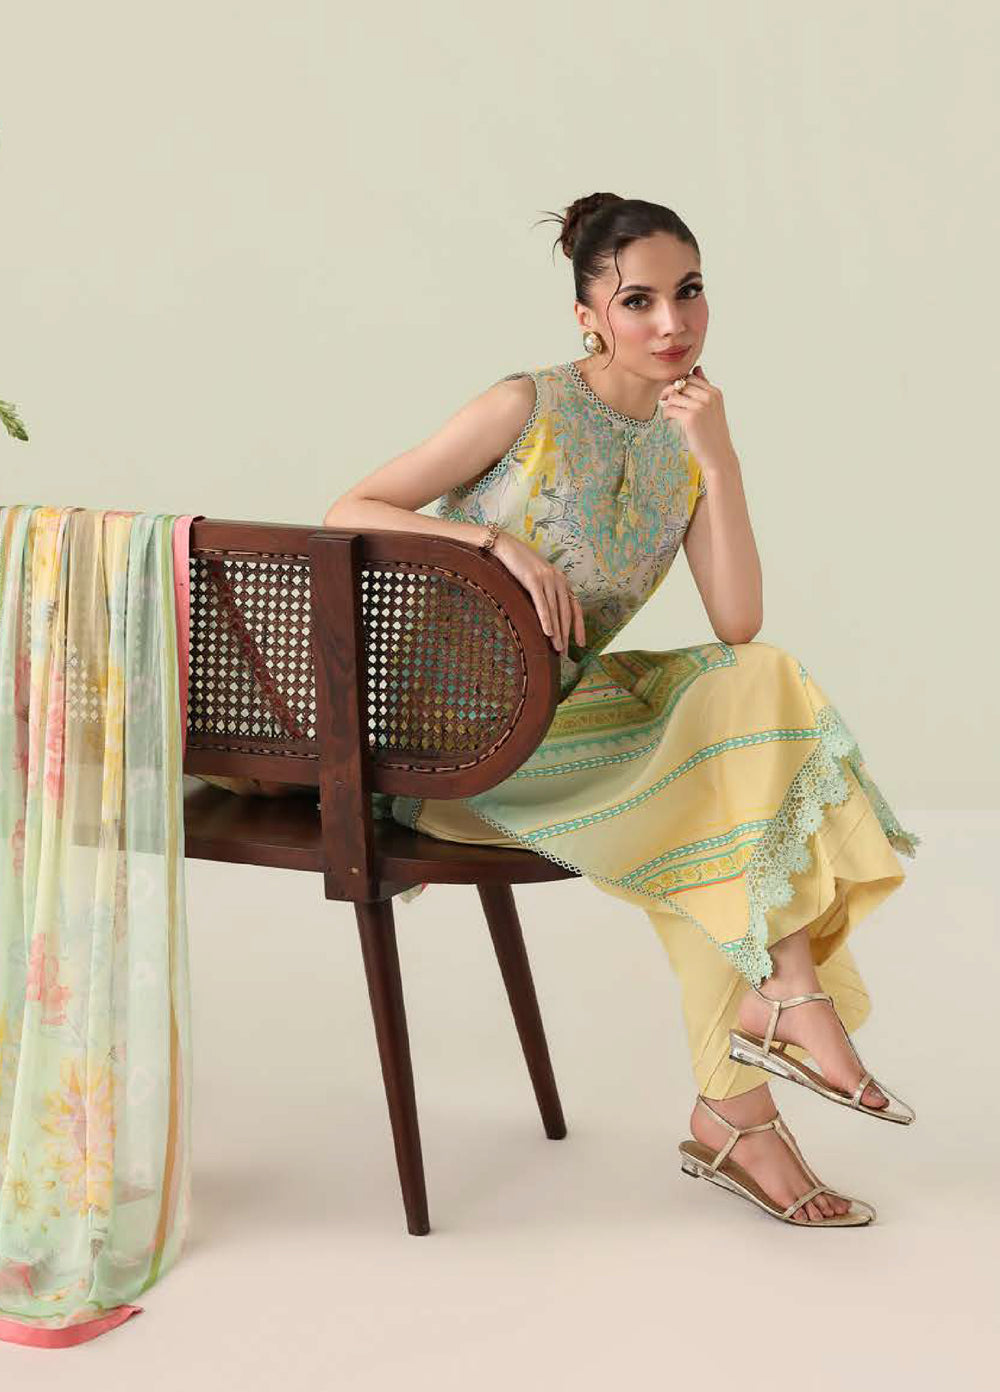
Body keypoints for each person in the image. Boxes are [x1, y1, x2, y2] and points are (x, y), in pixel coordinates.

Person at [200, 192, 921, 1227]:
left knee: (752, 697)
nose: (670, 322)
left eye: (688, 292)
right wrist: (493, 543)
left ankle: (753, 1078)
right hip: (446, 748)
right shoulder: (525, 404)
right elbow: (351, 508)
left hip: (563, 726)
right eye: (638, 301)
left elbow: (738, 619)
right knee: (718, 800)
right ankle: (760, 1059)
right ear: (588, 315)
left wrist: (717, 458)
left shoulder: (688, 439)